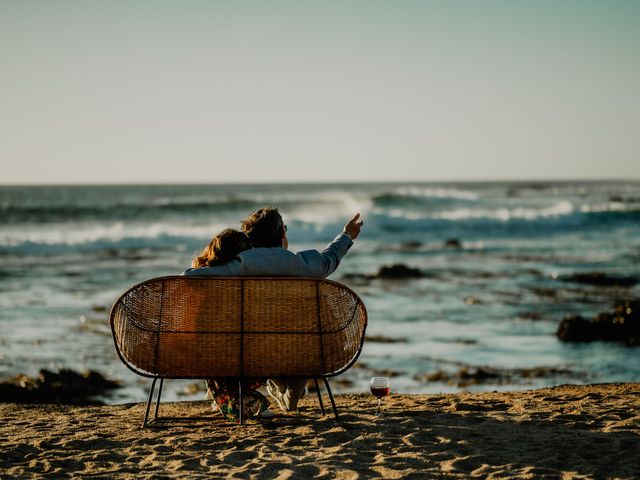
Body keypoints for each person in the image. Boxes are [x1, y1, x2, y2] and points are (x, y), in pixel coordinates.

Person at [184, 206, 364, 412]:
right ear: (282, 234)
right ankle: (290, 392)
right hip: (298, 353)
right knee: (300, 338)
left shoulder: (237, 266)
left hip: (249, 357)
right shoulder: (305, 265)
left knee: (261, 337)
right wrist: (347, 234)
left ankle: (281, 389)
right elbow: (330, 257)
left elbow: (188, 278)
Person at [189, 228, 272, 422]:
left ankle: (225, 396)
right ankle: (239, 397)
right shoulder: (253, 284)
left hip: (209, 361)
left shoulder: (202, 285)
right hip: (254, 360)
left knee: (216, 345)